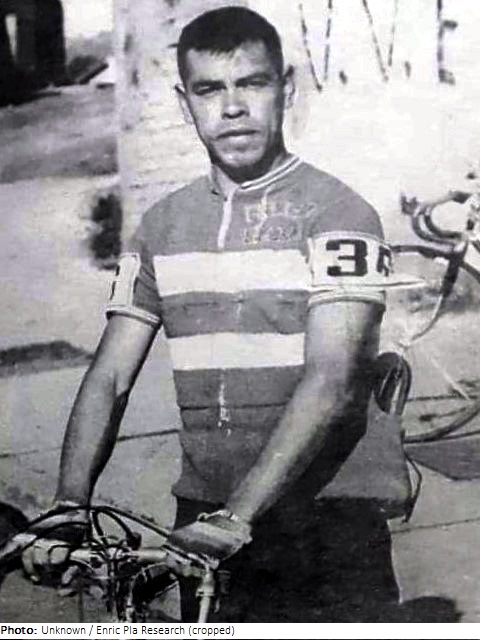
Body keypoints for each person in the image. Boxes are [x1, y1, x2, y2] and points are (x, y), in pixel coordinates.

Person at [17, 7, 401, 621]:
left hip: (327, 520)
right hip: (203, 517)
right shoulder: (161, 227)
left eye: (253, 83)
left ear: (286, 89)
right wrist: (69, 504)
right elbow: (110, 376)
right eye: (209, 89)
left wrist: (237, 517)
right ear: (184, 102)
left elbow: (330, 381)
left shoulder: (339, 214)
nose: (233, 107)